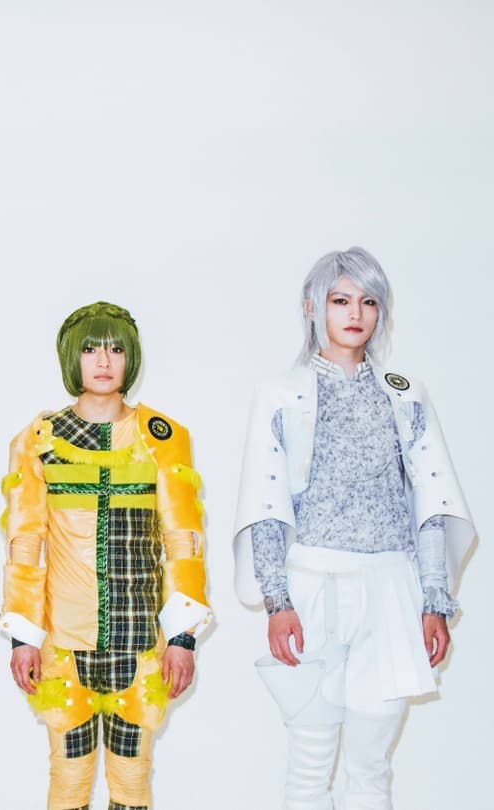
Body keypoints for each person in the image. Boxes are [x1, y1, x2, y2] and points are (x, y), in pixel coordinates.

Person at [232, 248, 477, 810]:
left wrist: (434, 600)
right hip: (312, 587)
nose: (355, 314)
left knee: (370, 765)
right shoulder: (280, 395)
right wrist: (277, 602)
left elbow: (430, 502)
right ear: (312, 306)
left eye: (369, 302)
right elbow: (266, 503)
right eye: (340, 300)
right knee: (310, 761)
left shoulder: (405, 393)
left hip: (391, 589)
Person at [1, 301, 210, 810]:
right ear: (71, 357)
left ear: (130, 358)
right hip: (64, 645)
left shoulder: (163, 437)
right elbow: (25, 542)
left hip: (139, 645)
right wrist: (23, 637)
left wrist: (182, 636)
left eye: (115, 349)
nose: (102, 361)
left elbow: (182, 538)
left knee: (132, 782)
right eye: (91, 348)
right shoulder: (38, 440)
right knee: (68, 781)